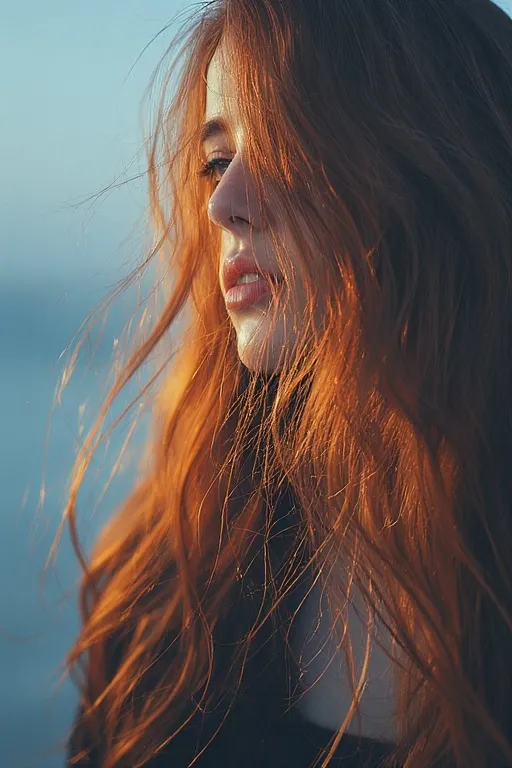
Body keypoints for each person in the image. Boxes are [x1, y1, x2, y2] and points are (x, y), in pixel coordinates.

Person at [58, 0, 512, 765]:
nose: (223, 202)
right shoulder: (175, 582)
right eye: (216, 159)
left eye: (284, 141)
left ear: (440, 166)